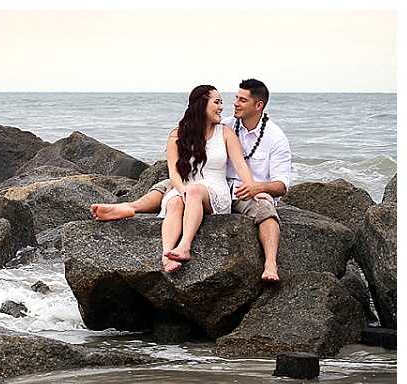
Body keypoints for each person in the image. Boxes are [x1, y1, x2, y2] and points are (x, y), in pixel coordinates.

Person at [91, 79, 291, 281]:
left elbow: (271, 179)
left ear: (258, 105)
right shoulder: (226, 123)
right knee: (169, 190)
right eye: (232, 99)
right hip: (196, 181)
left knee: (263, 208)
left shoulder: (273, 137)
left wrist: (257, 188)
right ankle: (136, 214)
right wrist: (179, 186)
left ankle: (269, 264)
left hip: (235, 189)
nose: (232, 104)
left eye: (242, 100)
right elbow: (176, 169)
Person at [157, 85, 256, 273]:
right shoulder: (177, 135)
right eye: (216, 102)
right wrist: (181, 189)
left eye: (221, 103)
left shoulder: (225, 133)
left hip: (214, 190)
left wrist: (254, 189)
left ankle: (185, 245)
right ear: (202, 105)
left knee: (194, 192)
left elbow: (241, 165)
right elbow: (173, 172)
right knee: (175, 203)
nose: (221, 107)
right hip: (184, 186)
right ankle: (166, 255)